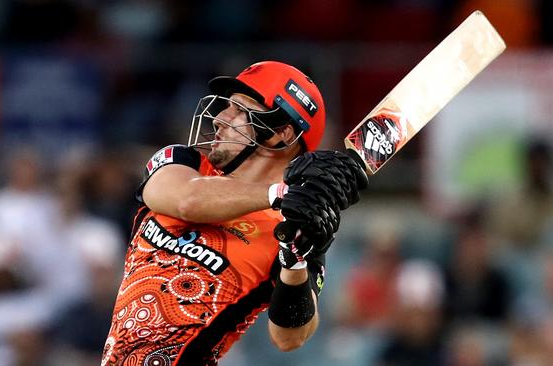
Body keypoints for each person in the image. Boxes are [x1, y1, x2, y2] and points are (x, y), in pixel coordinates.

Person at [101, 61, 367, 365]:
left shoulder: (291, 227)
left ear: (281, 132)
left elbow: (290, 337)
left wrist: (294, 263)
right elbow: (187, 200)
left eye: (239, 110)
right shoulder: (182, 163)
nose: (219, 119)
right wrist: (281, 194)